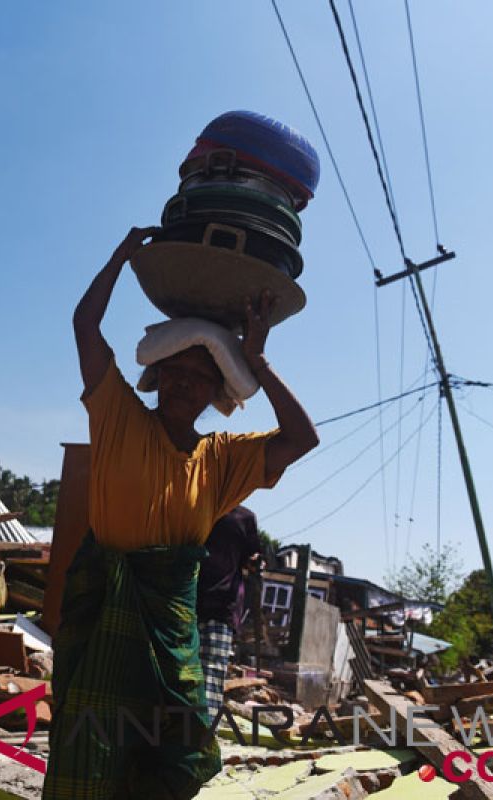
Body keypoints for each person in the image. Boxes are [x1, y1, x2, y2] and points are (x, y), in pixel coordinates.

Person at [43, 227, 318, 800]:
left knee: (178, 750)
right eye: (175, 370)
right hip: (102, 612)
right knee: (87, 746)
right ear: (157, 373)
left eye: (199, 376)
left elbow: (302, 437)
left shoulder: (221, 459)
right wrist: (121, 255)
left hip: (171, 626)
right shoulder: (118, 415)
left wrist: (258, 361)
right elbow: (84, 327)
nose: (184, 383)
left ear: (215, 391)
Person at [197, 505, 263, 716]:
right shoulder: (199, 506)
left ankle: (201, 739)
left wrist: (255, 563)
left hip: (218, 605)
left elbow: (253, 558)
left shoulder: (243, 518)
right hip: (191, 601)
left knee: (208, 677)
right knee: (203, 678)